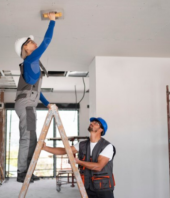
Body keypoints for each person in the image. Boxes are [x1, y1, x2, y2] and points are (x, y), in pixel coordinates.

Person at [14, 12, 56, 183]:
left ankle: (27, 171)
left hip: (27, 103)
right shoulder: (30, 61)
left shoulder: (32, 64)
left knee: (31, 138)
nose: (34, 43)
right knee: (28, 137)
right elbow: (46, 42)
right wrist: (52, 21)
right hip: (26, 104)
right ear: (26, 49)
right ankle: (22, 173)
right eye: (30, 42)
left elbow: (37, 92)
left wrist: (46, 103)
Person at [42, 117, 116, 198]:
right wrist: (45, 148)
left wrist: (78, 162)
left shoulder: (107, 146)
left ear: (101, 130)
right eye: (92, 122)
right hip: (87, 187)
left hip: (103, 188)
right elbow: (64, 151)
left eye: (96, 123)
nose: (92, 123)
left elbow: (98, 166)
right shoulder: (82, 144)